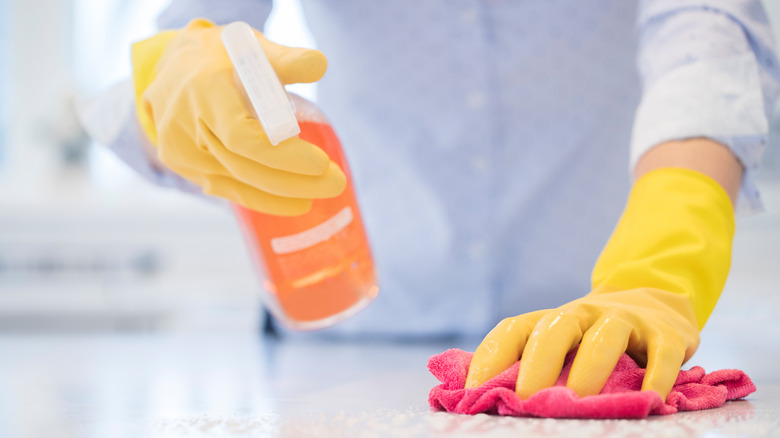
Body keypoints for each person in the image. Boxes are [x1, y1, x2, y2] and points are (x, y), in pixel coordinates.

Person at [85, 1, 780, 402]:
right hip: (336, 343)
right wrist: (174, 88)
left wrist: (658, 270)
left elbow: (707, 45)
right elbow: (186, 46)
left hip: (600, 355)